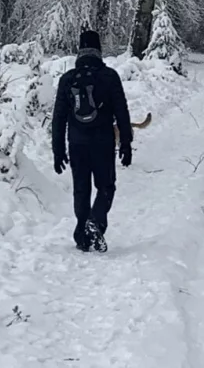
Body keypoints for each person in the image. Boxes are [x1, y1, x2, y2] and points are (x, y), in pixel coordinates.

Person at [52, 29, 133, 251]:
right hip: (103, 141)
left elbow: (58, 118)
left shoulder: (67, 79)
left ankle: (82, 235)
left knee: (81, 188)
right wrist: (125, 142)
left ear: (79, 51)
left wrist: (57, 150)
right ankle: (95, 222)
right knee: (106, 186)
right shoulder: (109, 76)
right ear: (99, 50)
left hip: (76, 143)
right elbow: (122, 112)